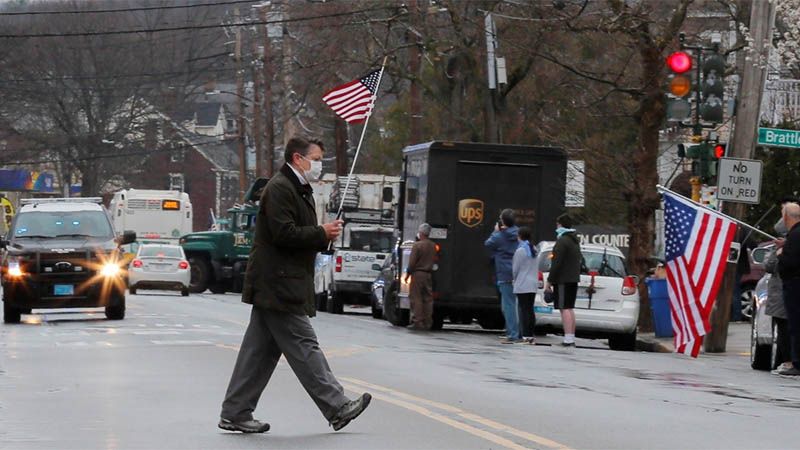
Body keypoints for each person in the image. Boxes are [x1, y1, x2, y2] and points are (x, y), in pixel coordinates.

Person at [219, 137, 371, 433]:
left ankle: (235, 412)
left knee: (258, 354)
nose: (320, 165)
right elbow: (283, 234)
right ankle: (337, 406)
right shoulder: (280, 188)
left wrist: (324, 236)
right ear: (298, 158)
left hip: (281, 281)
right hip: (278, 283)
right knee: (304, 344)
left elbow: (299, 234)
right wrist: (320, 232)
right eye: (316, 159)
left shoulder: (298, 189)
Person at [485, 209, 521, 344]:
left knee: (507, 305)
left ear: (502, 221)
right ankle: (517, 331)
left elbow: (488, 243)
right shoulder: (518, 233)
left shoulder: (500, 236)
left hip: (504, 273)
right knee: (516, 304)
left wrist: (496, 231)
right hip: (518, 272)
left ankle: (513, 334)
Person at [545, 214, 581, 347]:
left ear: (560, 224)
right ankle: (570, 337)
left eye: (557, 224)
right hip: (572, 279)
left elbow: (556, 263)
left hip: (563, 279)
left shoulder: (562, 241)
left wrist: (550, 280)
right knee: (569, 308)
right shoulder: (574, 240)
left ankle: (568, 339)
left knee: (564, 308)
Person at [776, 202, 800, 376]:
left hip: (794, 285)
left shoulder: (795, 235)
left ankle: (797, 362)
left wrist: (780, 254)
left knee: (795, 325)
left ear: (786, 217)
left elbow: (789, 263)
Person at [765, 217, 792, 372]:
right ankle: (784, 361)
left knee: (784, 329)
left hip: (782, 292)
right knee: (784, 329)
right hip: (781, 294)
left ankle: (788, 361)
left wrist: (779, 251)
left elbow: (769, 266)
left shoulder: (787, 247)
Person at [405, 223, 437, 330]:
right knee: (428, 299)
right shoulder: (433, 245)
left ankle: (417, 321)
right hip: (428, 274)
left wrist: (408, 274)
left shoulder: (417, 245)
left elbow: (412, 263)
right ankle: (428, 322)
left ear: (421, 233)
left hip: (418, 274)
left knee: (416, 298)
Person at [513, 226, 539, 345]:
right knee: (530, 309)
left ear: (520, 236)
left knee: (524, 310)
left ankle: (525, 336)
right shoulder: (534, 249)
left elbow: (515, 269)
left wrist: (514, 279)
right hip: (532, 283)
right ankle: (530, 335)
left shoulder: (520, 250)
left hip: (522, 283)